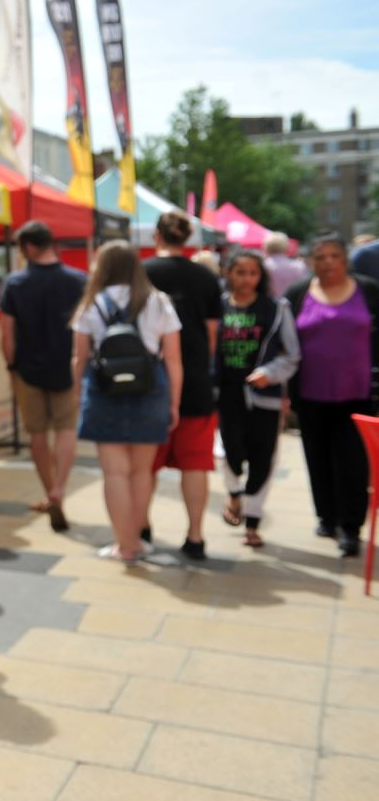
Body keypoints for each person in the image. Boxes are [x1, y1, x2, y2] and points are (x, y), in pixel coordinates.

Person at [71, 241, 183, 563]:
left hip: (104, 392)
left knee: (115, 474)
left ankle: (125, 545)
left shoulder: (91, 304)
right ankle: (136, 538)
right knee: (141, 472)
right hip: (151, 390)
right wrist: (173, 403)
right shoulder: (159, 302)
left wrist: (78, 393)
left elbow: (79, 357)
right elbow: (173, 360)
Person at [283, 233, 379, 557]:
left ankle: (351, 527)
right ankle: (326, 516)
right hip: (310, 394)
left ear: (345, 258)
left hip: (358, 395)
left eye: (333, 256)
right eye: (320, 257)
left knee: (353, 463)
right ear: (311, 262)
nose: (327, 263)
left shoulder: (368, 290)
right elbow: (283, 342)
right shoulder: (297, 294)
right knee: (317, 457)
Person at [144, 212, 223, 559]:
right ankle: (195, 537)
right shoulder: (205, 277)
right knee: (195, 464)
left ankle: (141, 527)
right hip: (194, 381)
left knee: (145, 464)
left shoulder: (142, 273)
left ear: (156, 235)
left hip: (149, 382)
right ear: (188, 238)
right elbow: (211, 335)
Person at [0, 221, 87, 532]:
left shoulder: (15, 283)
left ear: (30, 248)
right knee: (66, 430)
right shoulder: (79, 280)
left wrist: (10, 366)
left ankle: (49, 490)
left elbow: (7, 333)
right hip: (68, 366)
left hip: (27, 369)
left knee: (37, 434)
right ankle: (59, 489)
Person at [214, 250, 300, 549]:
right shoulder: (219, 306)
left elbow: (292, 355)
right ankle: (235, 494)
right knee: (229, 452)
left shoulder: (276, 309)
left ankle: (252, 522)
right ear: (229, 274)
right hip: (227, 393)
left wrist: (269, 373)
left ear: (260, 276)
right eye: (240, 272)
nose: (247, 279)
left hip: (265, 397)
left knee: (263, 459)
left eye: (253, 273)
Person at [263, 232, 309, 299]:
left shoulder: (262, 266)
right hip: (294, 304)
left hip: (269, 305)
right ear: (286, 246)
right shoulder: (299, 266)